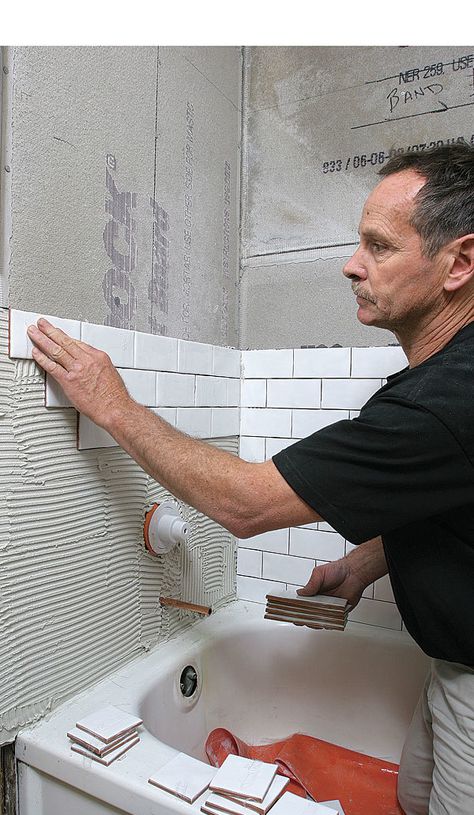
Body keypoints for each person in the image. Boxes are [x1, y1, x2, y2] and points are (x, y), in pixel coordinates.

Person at [27, 143, 474, 815]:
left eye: (379, 246)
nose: (352, 265)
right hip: (451, 663)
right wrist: (364, 563)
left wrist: (112, 403)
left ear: (458, 263)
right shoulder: (445, 386)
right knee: (412, 795)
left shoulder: (442, 401)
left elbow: (243, 503)